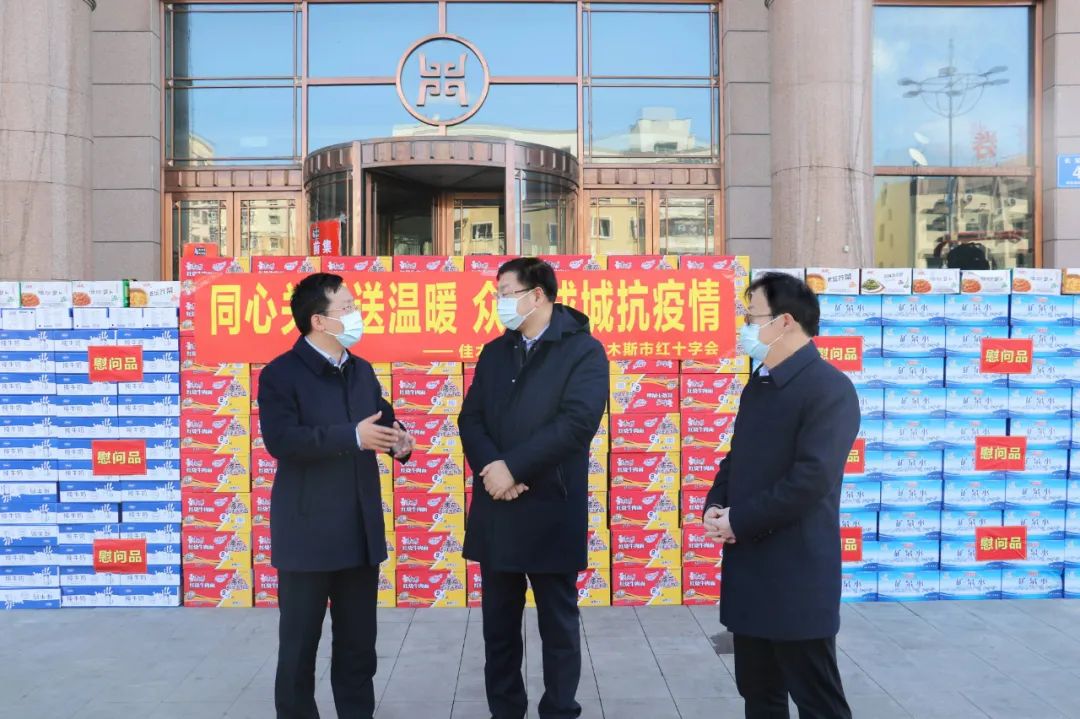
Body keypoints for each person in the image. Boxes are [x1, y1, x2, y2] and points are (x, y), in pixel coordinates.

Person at [703, 272, 859, 719]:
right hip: (749, 566)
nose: (744, 327)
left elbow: (811, 479)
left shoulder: (829, 389)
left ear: (785, 321)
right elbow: (737, 457)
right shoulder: (761, 383)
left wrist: (739, 520)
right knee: (759, 693)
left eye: (752, 316)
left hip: (796, 573)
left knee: (817, 698)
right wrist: (716, 504)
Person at [258, 272, 414, 719]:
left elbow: (383, 422)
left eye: (353, 305)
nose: (355, 314)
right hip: (307, 532)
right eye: (346, 308)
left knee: (358, 647)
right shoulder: (281, 374)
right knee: (299, 647)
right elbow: (282, 441)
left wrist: (400, 442)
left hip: (359, 531)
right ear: (319, 321)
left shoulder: (360, 370)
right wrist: (352, 436)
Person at [458, 257, 609, 719]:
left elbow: (576, 424)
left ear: (537, 294)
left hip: (551, 505)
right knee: (498, 629)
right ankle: (505, 710)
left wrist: (515, 468)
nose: (499, 302)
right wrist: (493, 469)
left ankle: (560, 709)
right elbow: (471, 418)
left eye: (506, 292)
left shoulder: (583, 351)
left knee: (558, 626)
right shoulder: (495, 352)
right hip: (498, 507)